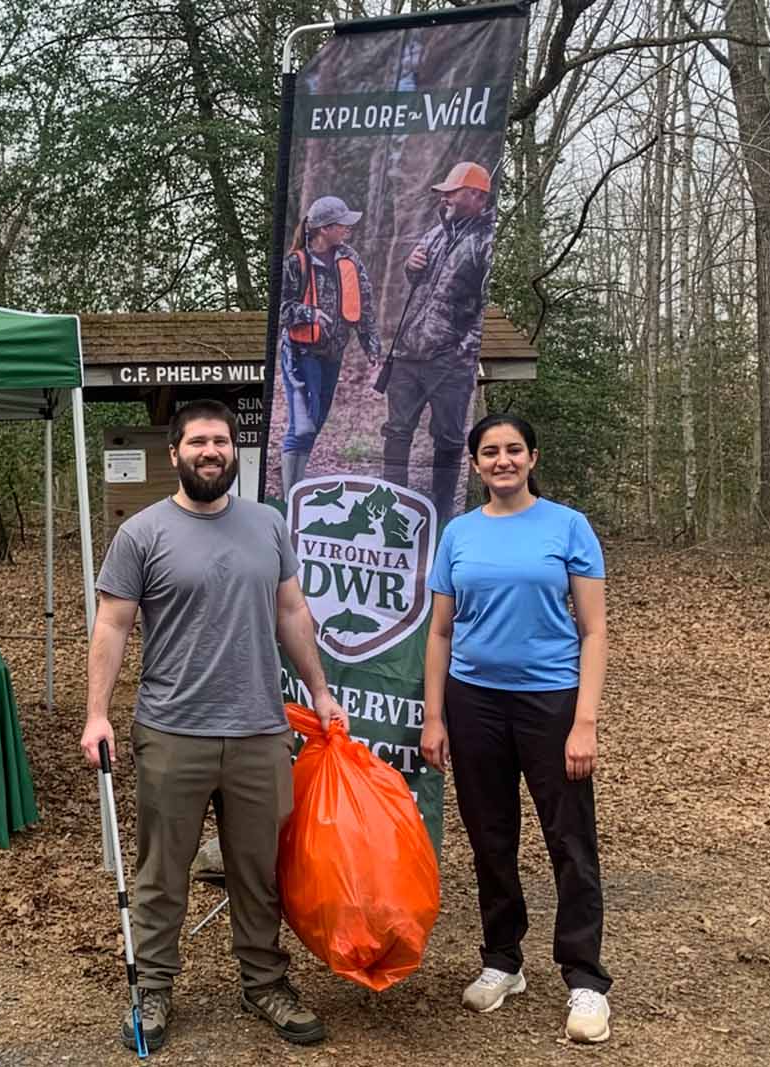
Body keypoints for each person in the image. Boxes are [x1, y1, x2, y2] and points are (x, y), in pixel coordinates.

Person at [80, 398, 346, 1051]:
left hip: (260, 728)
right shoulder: (142, 533)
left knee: (257, 870)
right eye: (197, 440)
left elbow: (292, 613)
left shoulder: (267, 525)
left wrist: (320, 689)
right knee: (162, 871)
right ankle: (153, 990)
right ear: (173, 453)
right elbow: (112, 625)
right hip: (173, 729)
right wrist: (96, 714)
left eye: (221, 440)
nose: (210, 450)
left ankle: (264, 983)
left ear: (234, 451)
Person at [419, 413, 612, 1044]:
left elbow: (593, 631)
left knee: (570, 840)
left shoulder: (568, 527)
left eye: (514, 450)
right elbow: (441, 631)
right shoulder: (460, 534)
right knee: (491, 839)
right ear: (475, 464)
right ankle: (503, 960)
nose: (503, 461)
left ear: (532, 458)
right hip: (475, 703)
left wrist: (584, 722)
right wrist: (434, 715)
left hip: (551, 702)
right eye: (490, 452)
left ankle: (584, 978)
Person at [382, 161, 495, 521]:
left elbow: (485, 304)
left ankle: (443, 517)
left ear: (476, 196)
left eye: (452, 191)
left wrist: (463, 351)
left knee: (447, 440)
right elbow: (417, 283)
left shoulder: (486, 241)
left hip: (449, 360)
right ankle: (391, 507)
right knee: (396, 433)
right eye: (444, 191)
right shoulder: (436, 233)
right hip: (408, 352)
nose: (444, 197)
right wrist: (410, 267)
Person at [276, 195, 381, 496]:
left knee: (317, 422)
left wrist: (371, 344)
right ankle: (290, 498)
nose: (348, 229)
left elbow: (364, 305)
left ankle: (295, 486)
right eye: (342, 224)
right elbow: (280, 311)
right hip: (301, 353)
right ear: (323, 228)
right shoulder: (295, 263)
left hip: (332, 355)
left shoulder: (350, 259)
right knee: (303, 426)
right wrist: (309, 313)